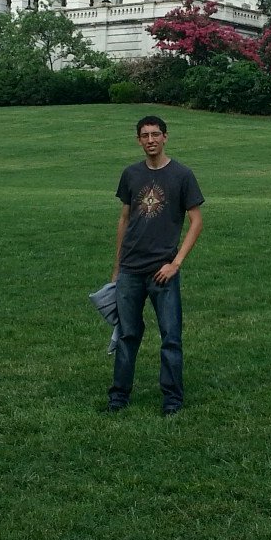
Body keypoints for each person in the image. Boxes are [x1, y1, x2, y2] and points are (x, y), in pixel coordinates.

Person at [107, 115, 204, 415]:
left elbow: (197, 221)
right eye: (145, 135)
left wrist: (175, 263)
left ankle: (172, 400)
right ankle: (118, 397)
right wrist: (117, 267)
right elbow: (124, 220)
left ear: (165, 137)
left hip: (163, 271)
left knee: (171, 337)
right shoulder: (131, 174)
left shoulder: (182, 175)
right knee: (127, 335)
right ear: (138, 140)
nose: (150, 140)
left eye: (156, 134)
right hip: (131, 270)